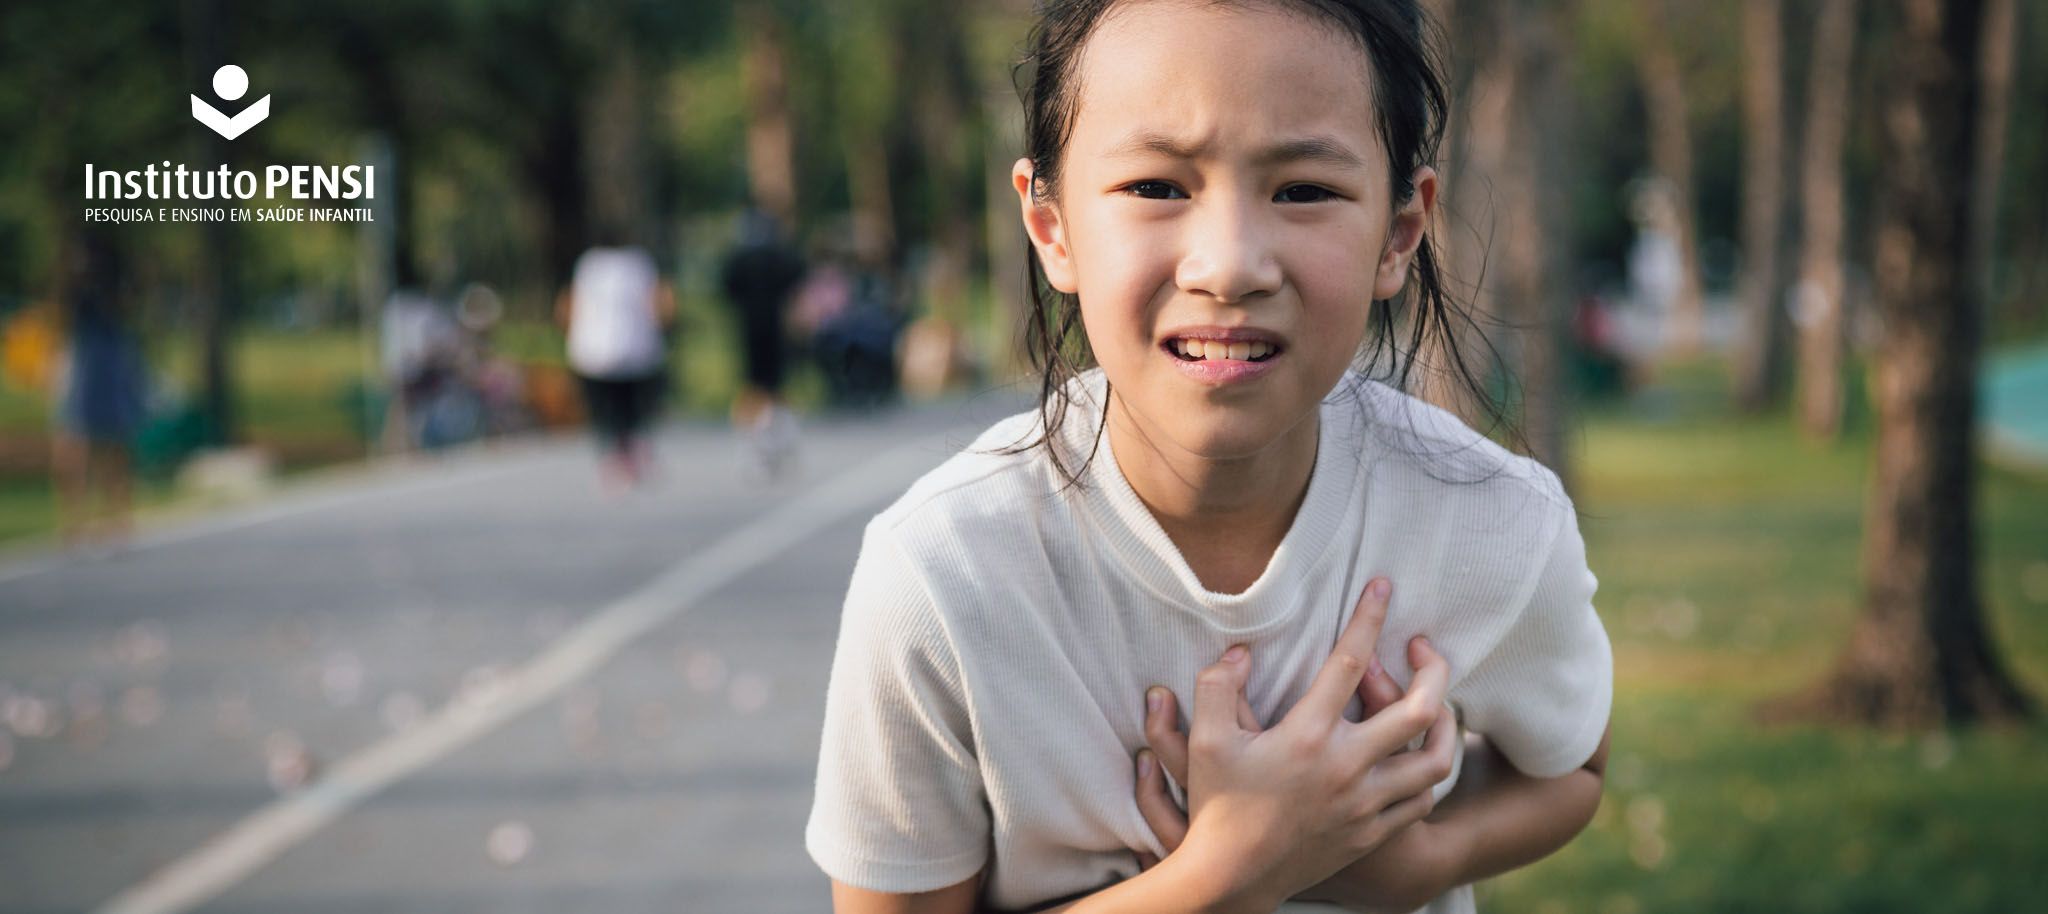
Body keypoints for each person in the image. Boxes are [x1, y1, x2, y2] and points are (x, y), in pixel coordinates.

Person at [805, 2, 1613, 914]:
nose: (1228, 267)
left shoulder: (1491, 520)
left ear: (1399, 232)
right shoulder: (942, 577)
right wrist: (1228, 872)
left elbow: (1573, 766)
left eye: (1303, 190)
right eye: (1156, 186)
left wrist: (1423, 861)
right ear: (1051, 225)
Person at [50, 231, 149, 549]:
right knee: (77, 440)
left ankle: (118, 518)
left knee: (111, 442)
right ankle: (78, 521)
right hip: (86, 361)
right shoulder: (74, 292)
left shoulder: (112, 290)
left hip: (104, 361)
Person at [559, 238, 676, 491]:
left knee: (608, 411)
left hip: (600, 350)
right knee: (628, 408)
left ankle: (617, 457)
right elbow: (659, 302)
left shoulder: (591, 264)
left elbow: (569, 304)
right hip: (628, 349)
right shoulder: (636, 263)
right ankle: (625, 456)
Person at [719, 207, 807, 479]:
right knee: (774, 387)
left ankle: (757, 445)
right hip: (775, 328)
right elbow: (797, 283)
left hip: (750, 329)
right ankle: (777, 440)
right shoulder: (781, 255)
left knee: (754, 387)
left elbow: (727, 290)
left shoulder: (739, 258)